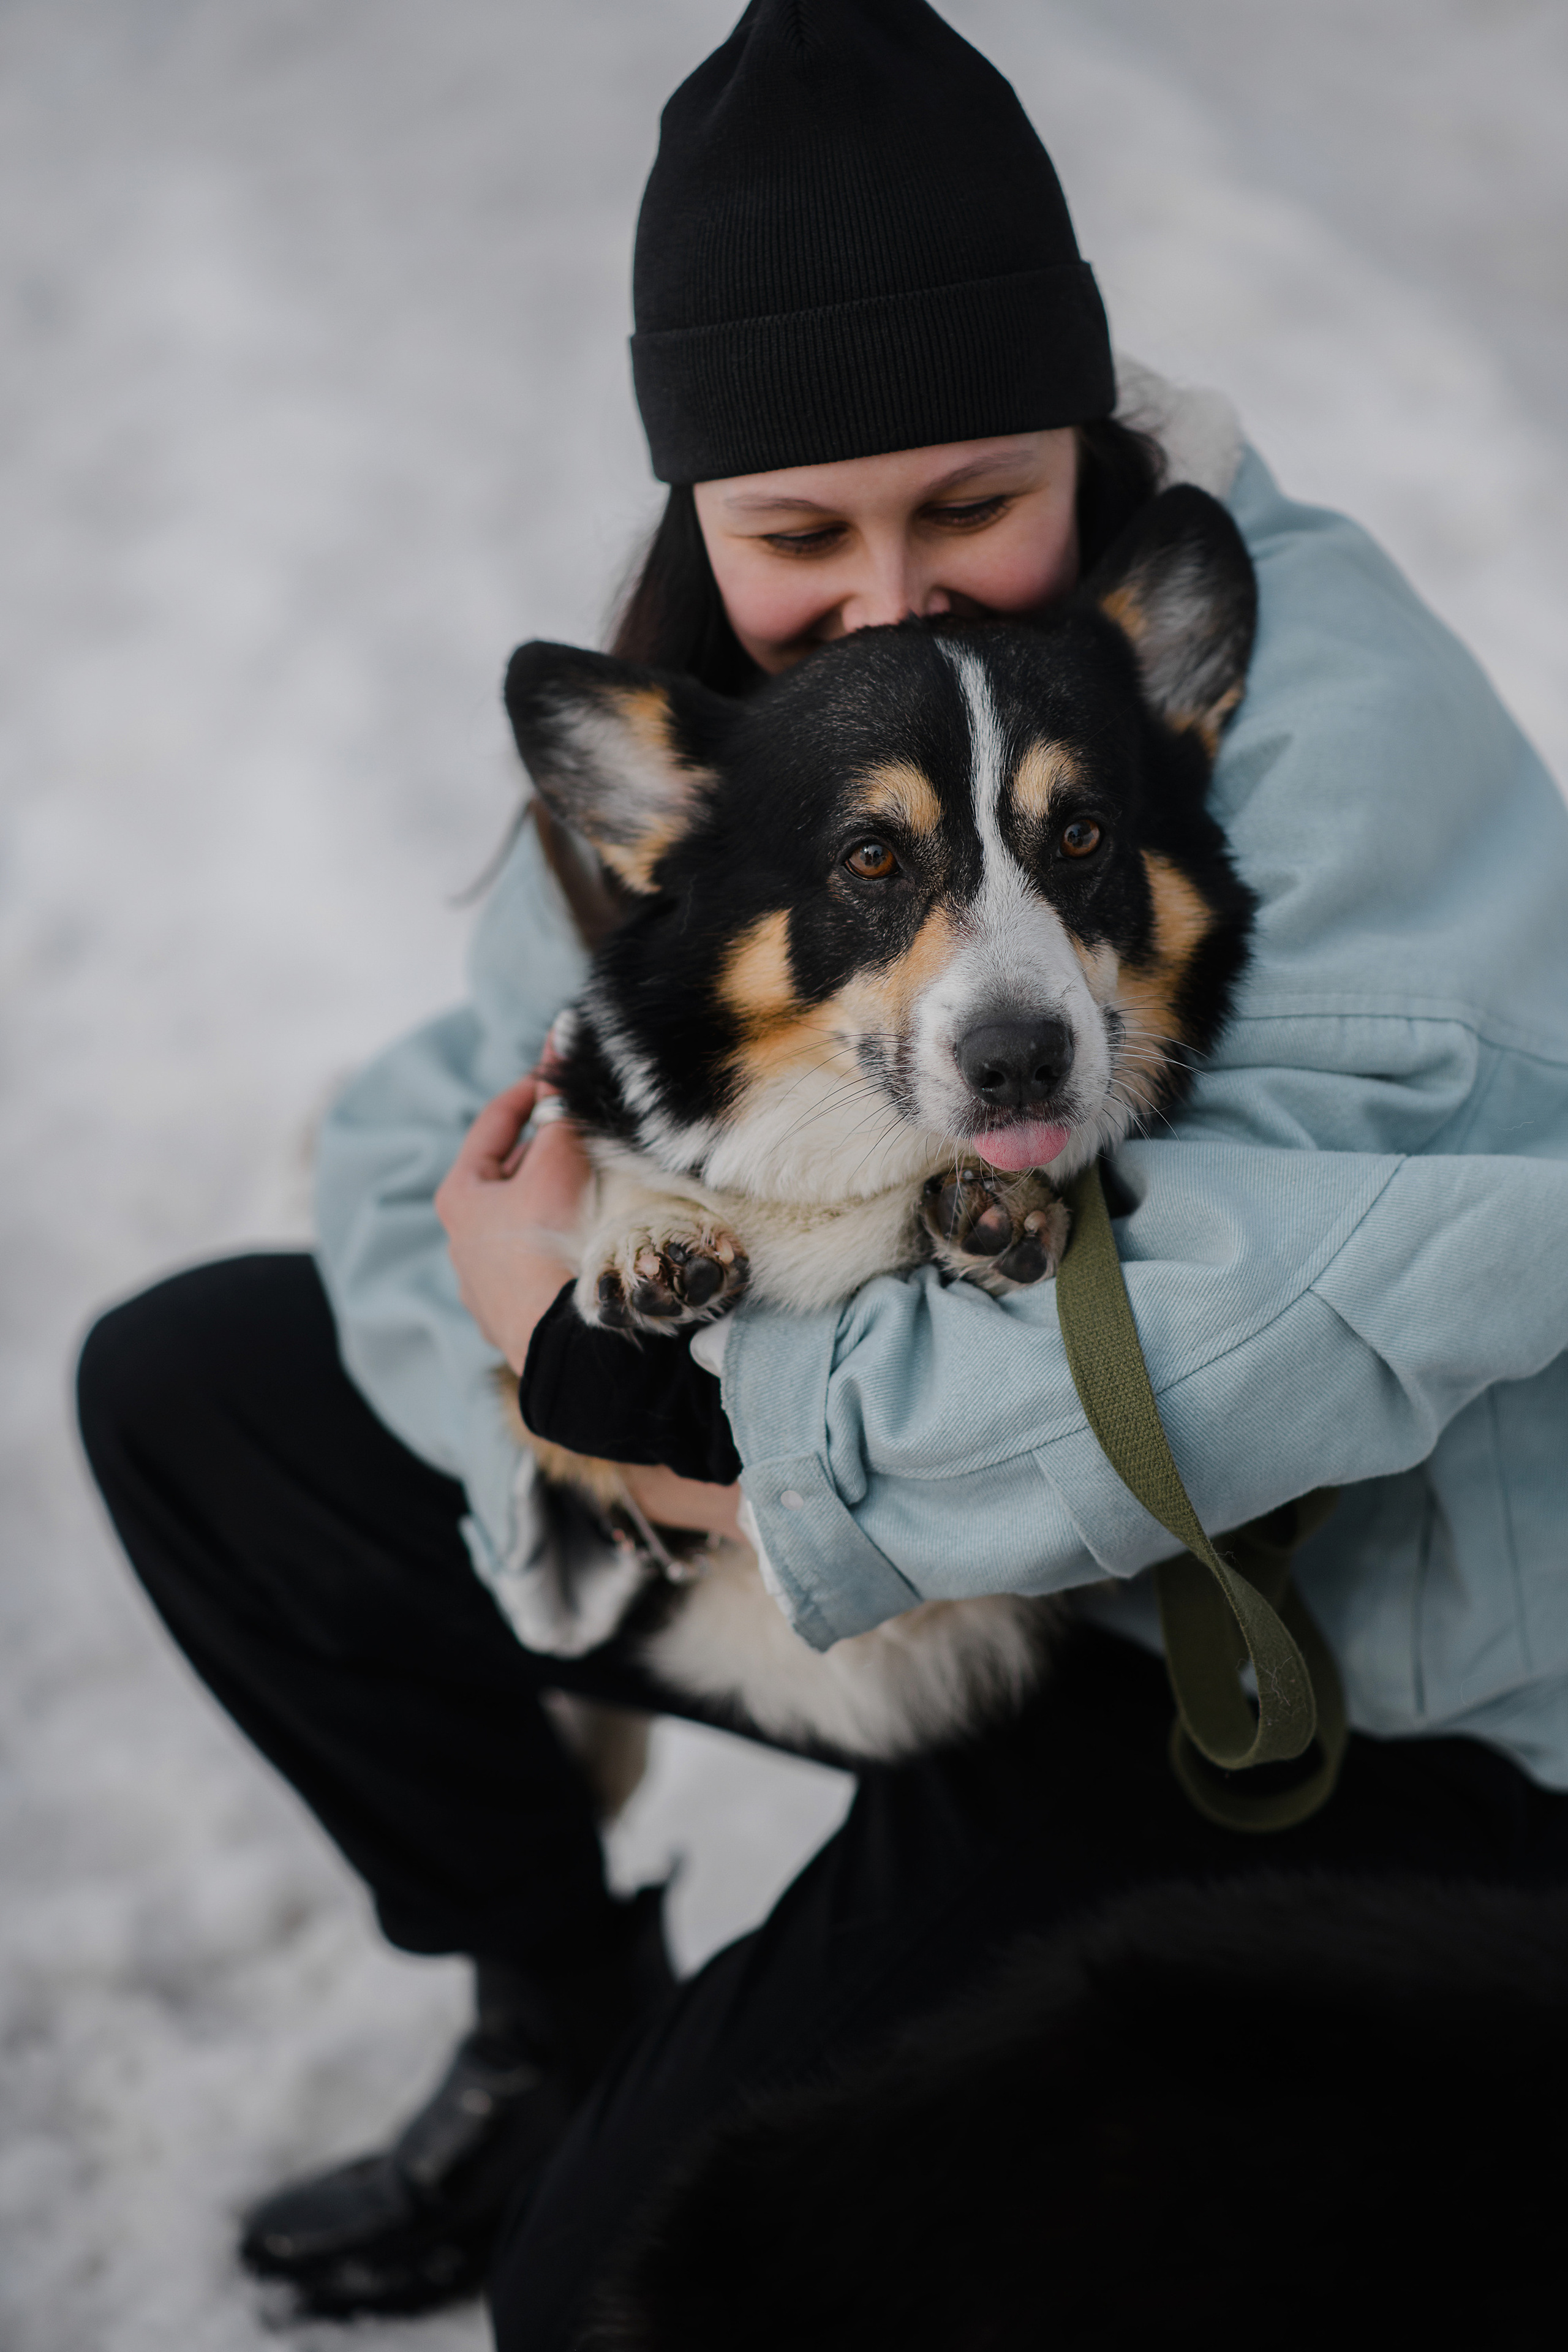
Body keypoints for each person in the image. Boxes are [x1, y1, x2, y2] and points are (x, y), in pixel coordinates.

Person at [74, 1, 1568, 2345]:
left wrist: (671, 1427)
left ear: (1084, 437)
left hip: (1315, 1716)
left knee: (636, 2288)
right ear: (707, 519)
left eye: (970, 505)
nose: (891, 605)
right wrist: (547, 1386)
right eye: (797, 534)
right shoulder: (736, 716)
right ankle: (559, 2013)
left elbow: (1218, 1376)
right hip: (928, 1588)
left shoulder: (1320, 724)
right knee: (201, 1392)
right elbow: (425, 1134)